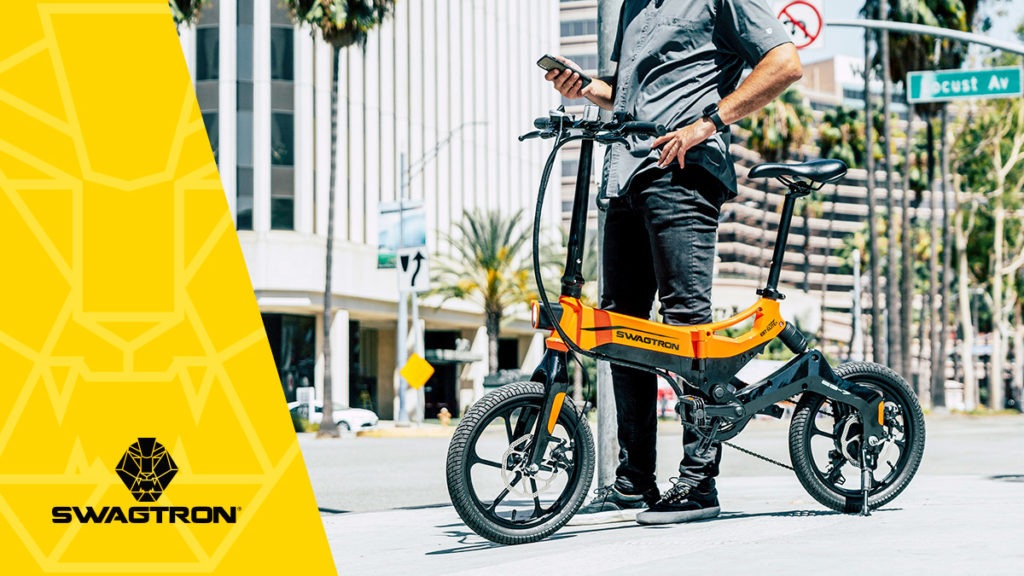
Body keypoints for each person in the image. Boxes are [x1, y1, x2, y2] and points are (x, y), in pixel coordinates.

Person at [545, 0, 802, 525]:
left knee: (686, 320)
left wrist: (709, 122)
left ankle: (698, 481)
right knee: (619, 324)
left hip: (683, 172)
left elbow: (784, 63)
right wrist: (586, 89)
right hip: (624, 175)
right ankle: (634, 479)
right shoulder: (632, 9)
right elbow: (631, 97)